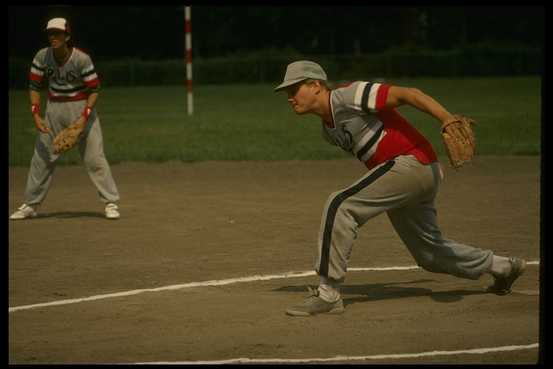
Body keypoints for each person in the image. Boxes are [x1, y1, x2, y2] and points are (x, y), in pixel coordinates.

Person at [274, 60, 526, 316]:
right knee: (429, 253)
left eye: (294, 90)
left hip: (412, 163)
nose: (290, 98)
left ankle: (328, 294)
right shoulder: (329, 132)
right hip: (409, 175)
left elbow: (408, 94)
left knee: (341, 205)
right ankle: (504, 267)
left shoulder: (348, 96)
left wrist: (446, 119)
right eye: (287, 93)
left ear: (315, 85)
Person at [10, 17, 120, 220]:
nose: (53, 37)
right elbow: (34, 86)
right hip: (53, 110)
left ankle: (110, 202)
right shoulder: (42, 57)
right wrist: (35, 113)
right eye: (50, 33)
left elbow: (95, 89)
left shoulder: (81, 59)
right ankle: (30, 205)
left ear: (67, 36)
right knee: (41, 158)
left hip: (81, 108)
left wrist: (83, 118)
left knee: (95, 158)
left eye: (58, 33)